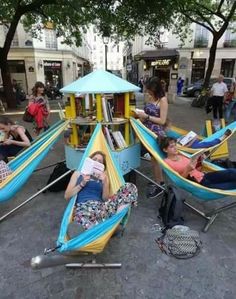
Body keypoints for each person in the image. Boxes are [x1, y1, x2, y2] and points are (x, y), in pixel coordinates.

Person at [65, 151, 138, 230]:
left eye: (100, 162)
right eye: (94, 159)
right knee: (80, 221)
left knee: (130, 187)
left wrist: (105, 183)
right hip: (84, 208)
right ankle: (104, 228)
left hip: (101, 208)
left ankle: (114, 223)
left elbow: (105, 199)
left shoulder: (104, 177)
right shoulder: (77, 174)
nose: (96, 162)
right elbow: (67, 196)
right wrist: (81, 184)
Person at [160, 137, 236, 190]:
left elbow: (196, 169)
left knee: (231, 171)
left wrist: (199, 161)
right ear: (165, 150)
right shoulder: (167, 162)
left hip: (204, 176)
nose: (175, 148)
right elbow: (179, 181)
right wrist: (187, 170)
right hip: (200, 185)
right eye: (172, 147)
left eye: (175, 145)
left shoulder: (181, 155)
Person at [135, 76, 168, 198]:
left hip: (156, 134)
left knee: (155, 160)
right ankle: (158, 181)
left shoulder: (163, 100)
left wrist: (147, 117)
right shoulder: (150, 97)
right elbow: (146, 115)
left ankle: (160, 184)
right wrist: (139, 116)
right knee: (154, 160)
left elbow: (162, 121)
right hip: (146, 132)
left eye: (150, 90)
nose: (148, 92)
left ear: (156, 89)